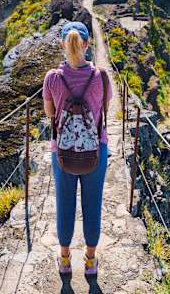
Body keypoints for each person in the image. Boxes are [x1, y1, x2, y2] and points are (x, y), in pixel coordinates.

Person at [42, 20, 112, 277]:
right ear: (87, 44)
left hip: (62, 152)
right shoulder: (101, 77)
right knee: (93, 204)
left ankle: (64, 259)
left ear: (62, 44)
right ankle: (91, 261)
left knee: (64, 204)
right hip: (96, 150)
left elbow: (50, 114)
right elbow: (105, 110)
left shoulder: (52, 78)